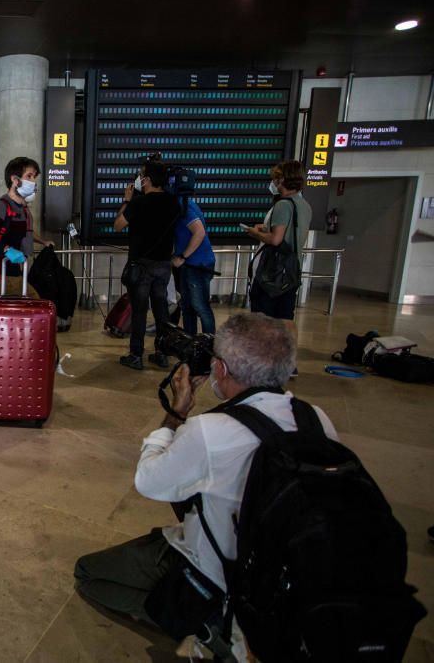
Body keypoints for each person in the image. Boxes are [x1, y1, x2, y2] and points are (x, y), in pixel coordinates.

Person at [73, 313, 339, 659]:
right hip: (291, 574)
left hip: (217, 570)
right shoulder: (317, 419)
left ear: (222, 370)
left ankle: (205, 619)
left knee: (88, 574)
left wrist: (177, 414)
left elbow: (148, 481)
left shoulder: (210, 432)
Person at [245, 160, 312, 375]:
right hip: (291, 270)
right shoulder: (304, 205)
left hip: (272, 272)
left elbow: (275, 240)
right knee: (286, 318)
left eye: (276, 177)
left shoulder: (283, 205)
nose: (273, 182)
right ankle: (288, 363)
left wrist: (256, 233)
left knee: (263, 319)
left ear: (283, 179)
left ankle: (263, 362)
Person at [113, 158, 180, 369]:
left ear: (148, 179)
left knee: (140, 310)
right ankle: (161, 353)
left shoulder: (139, 203)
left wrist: (127, 200)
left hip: (141, 265)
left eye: (142, 176)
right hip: (163, 265)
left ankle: (136, 355)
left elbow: (118, 225)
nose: (140, 179)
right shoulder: (173, 202)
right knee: (161, 310)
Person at [0, 156, 53, 299]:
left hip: (17, 273)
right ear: (15, 180)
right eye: (29, 176)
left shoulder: (23, 210)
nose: (33, 182)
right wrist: (5, 249)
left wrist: (43, 242)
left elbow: (26, 231)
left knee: (35, 309)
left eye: (35, 177)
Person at [171, 197, 216, 335]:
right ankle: (191, 345)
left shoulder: (182, 205)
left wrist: (183, 256)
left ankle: (209, 346)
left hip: (198, 265)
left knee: (201, 307)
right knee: (187, 307)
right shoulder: (181, 204)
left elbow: (199, 232)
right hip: (189, 265)